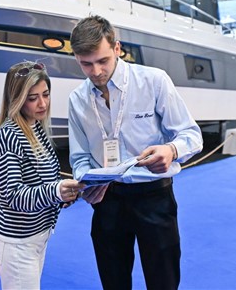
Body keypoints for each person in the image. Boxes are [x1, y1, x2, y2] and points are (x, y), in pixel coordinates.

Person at [68, 15, 203, 290]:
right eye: (86, 64)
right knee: (113, 282)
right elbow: (79, 157)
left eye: (102, 60)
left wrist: (171, 149)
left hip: (153, 197)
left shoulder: (153, 81)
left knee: (164, 282)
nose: (96, 71)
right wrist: (86, 181)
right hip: (107, 200)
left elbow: (192, 135)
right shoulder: (77, 99)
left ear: (117, 48)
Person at [0, 61, 84, 290]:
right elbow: (13, 196)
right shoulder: (9, 135)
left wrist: (64, 195)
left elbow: (44, 183)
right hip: (18, 244)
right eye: (33, 98)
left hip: (37, 237)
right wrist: (56, 191)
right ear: (17, 99)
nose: (42, 103)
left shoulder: (37, 128)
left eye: (46, 94)